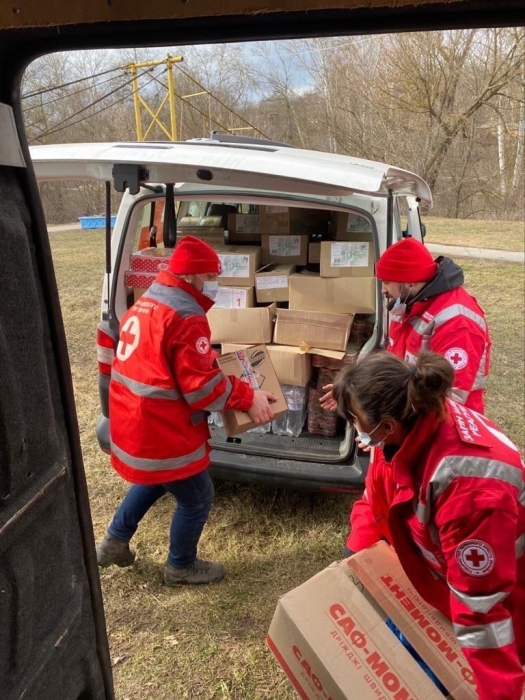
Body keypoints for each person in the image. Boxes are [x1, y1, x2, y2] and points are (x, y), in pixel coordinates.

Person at [332, 351, 525, 700]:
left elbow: (482, 613)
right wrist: (352, 556)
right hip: (447, 581)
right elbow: (377, 497)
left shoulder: (469, 489)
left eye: (356, 419)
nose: (356, 429)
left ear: (387, 425)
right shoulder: (405, 424)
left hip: (507, 593)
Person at [96, 236, 276, 585]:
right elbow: (202, 388)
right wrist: (247, 397)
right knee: (197, 497)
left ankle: (114, 542)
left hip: (133, 421)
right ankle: (181, 566)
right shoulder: (187, 315)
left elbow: (171, 363)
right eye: (210, 276)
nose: (215, 283)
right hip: (162, 429)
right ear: (193, 277)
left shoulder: (150, 299)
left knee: (160, 480)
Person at [321, 236, 492, 413]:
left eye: (387, 282)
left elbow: (445, 401)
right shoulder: (407, 304)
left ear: (409, 281)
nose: (383, 290)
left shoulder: (457, 323)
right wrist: (356, 389)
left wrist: (387, 431)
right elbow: (394, 365)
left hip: (445, 425)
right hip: (409, 410)